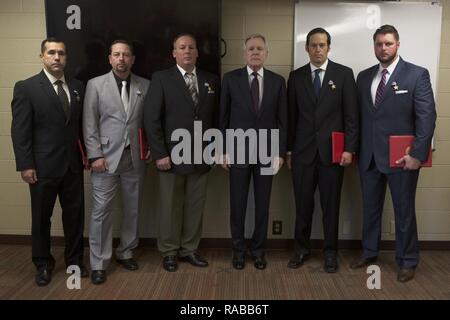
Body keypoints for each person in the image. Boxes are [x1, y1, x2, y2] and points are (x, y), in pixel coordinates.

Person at [350, 25, 436, 283]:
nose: (383, 48)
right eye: (378, 44)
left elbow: (426, 117)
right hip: (369, 158)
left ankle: (407, 260)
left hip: (403, 159)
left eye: (388, 43)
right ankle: (369, 251)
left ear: (397, 44)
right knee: (371, 210)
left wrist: (418, 154)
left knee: (404, 212)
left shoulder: (417, 74)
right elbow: (360, 118)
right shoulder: (364, 77)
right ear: (374, 46)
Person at [11, 38, 88, 286]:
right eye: (51, 53)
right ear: (42, 56)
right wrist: (25, 164)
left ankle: (75, 260)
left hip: (73, 165)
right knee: (41, 218)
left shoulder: (77, 87)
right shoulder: (27, 87)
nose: (57, 57)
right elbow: (20, 131)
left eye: (61, 53)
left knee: (75, 217)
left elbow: (81, 127)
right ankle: (43, 264)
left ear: (66, 57)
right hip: (42, 167)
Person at [144, 34, 219, 272]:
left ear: (197, 53)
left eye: (191, 47)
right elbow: (151, 119)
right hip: (171, 157)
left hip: (201, 155)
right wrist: (159, 154)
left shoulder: (211, 80)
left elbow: (215, 120)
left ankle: (189, 249)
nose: (187, 51)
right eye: (182, 47)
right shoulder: (161, 78)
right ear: (174, 53)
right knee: (169, 206)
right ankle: (169, 251)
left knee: (195, 206)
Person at [287, 28, 359, 273]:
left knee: (331, 207)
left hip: (333, 155)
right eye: (313, 45)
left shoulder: (344, 74)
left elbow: (351, 117)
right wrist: (288, 151)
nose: (318, 49)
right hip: (303, 155)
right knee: (303, 206)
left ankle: (330, 253)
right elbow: (291, 118)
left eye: (322, 45)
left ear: (329, 47)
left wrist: (349, 149)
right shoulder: (295, 77)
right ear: (306, 48)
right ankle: (301, 250)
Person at [83, 40, 150, 284]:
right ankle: (99, 262)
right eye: (117, 55)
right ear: (109, 58)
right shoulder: (95, 85)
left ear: (132, 59)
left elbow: (149, 123)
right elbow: (89, 123)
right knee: (101, 211)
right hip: (105, 160)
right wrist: (95, 155)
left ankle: (126, 251)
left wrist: (149, 148)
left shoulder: (146, 85)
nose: (121, 59)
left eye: (126, 55)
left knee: (133, 208)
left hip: (135, 158)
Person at [219, 34, 287, 270]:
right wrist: (222, 149)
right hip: (236, 151)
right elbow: (223, 118)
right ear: (244, 53)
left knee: (262, 205)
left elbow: (282, 120)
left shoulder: (278, 82)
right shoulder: (230, 79)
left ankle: (258, 251)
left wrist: (279, 153)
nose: (255, 52)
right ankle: (238, 251)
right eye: (251, 49)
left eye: (259, 49)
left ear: (266, 53)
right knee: (237, 205)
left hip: (267, 154)